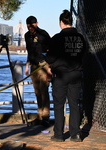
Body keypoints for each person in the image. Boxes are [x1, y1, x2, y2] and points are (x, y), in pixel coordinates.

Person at [45, 10, 86, 142]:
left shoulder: (57, 38)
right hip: (76, 74)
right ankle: (75, 134)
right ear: (71, 22)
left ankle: (58, 134)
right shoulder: (80, 38)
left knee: (59, 105)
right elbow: (83, 54)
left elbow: (50, 58)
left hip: (61, 75)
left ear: (61, 23)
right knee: (74, 104)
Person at [24, 16, 52, 126]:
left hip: (43, 64)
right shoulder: (27, 36)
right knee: (37, 92)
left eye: (32, 25)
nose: (31, 28)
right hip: (33, 65)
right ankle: (39, 116)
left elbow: (50, 49)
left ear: (37, 23)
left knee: (44, 90)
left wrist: (49, 66)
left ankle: (46, 117)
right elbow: (29, 51)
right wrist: (27, 65)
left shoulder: (43, 34)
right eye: (29, 26)